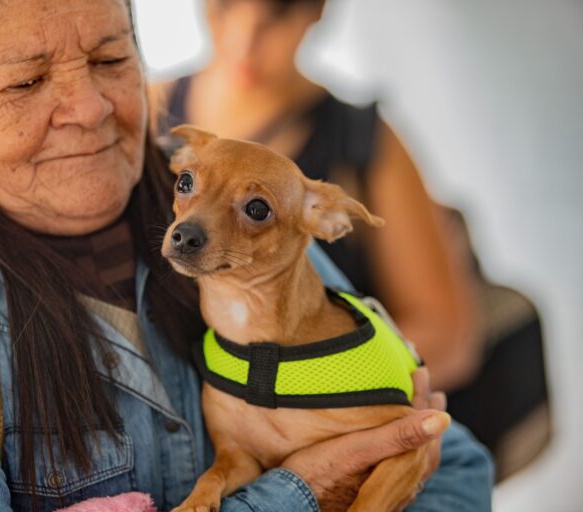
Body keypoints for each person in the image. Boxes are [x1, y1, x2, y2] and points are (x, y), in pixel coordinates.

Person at [0, 0, 493, 510]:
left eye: (112, 59)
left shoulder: (239, 236)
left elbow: (457, 469)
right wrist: (303, 489)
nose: (89, 106)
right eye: (25, 83)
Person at [156, 0, 482, 394]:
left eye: (275, 18)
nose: (244, 42)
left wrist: (298, 391)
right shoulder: (150, 107)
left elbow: (447, 336)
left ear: (317, 9)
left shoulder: (363, 142)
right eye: (224, 7)